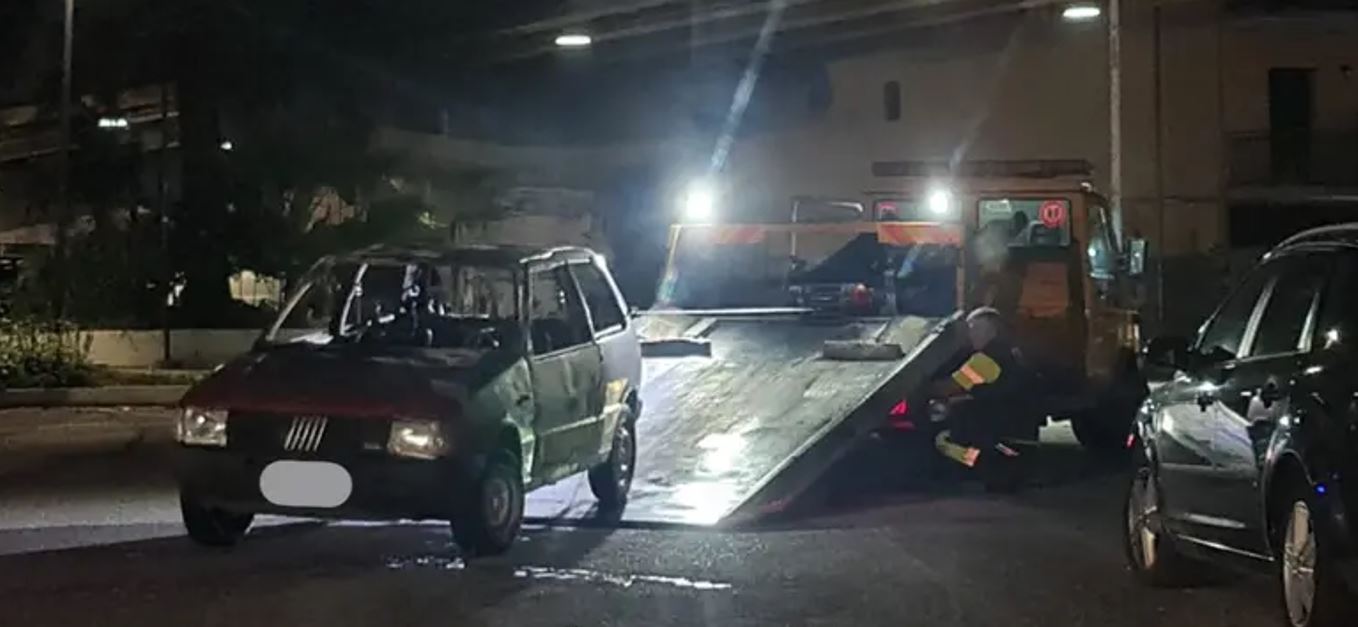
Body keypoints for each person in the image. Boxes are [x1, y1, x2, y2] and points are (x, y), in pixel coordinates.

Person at [932, 307, 1037, 491]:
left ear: (992, 331)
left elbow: (949, 388)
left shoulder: (984, 361)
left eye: (975, 329)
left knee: (942, 441)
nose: (970, 335)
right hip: (1017, 429)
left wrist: (918, 383)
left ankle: (975, 466)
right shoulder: (1012, 352)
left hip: (995, 430)